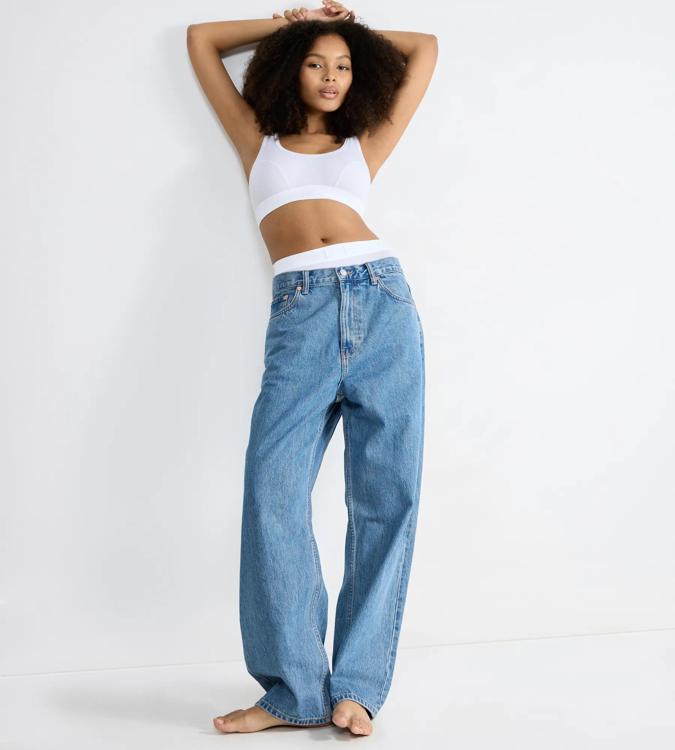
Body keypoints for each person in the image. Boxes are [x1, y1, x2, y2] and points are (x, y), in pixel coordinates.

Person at [187, 1, 437, 735]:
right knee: (273, 490)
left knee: (386, 496)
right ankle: (293, 691)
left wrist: (347, 28)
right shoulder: (256, 139)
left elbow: (424, 47)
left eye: (344, 65)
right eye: (315, 61)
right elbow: (201, 41)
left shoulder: (363, 143)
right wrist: (289, 24)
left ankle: (357, 687)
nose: (331, 75)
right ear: (289, 68)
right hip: (300, 314)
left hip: (382, 300)